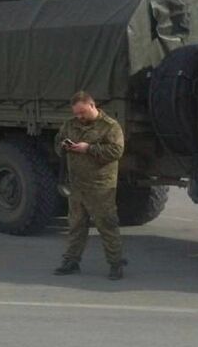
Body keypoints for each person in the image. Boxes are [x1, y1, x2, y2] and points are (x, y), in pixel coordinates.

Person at [53, 91, 127, 280]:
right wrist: (64, 146)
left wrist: (89, 148)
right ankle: (71, 261)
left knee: (107, 224)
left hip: (100, 186)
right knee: (76, 225)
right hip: (77, 185)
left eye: (82, 112)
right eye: (76, 113)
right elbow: (57, 142)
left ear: (92, 106)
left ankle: (116, 264)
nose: (79, 117)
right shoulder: (70, 125)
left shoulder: (109, 126)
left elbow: (116, 151)